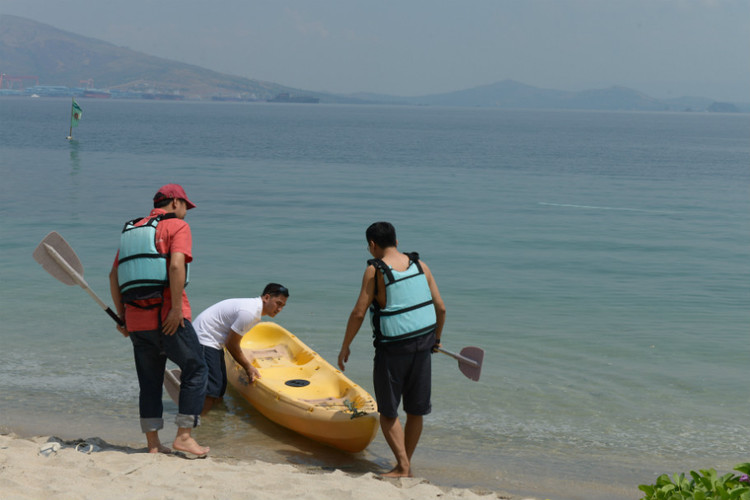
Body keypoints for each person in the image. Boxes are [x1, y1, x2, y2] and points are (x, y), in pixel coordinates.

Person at [337, 222, 446, 478]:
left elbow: (359, 312)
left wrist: (345, 346)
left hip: (393, 349)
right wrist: (436, 340)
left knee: (387, 411)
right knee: (415, 410)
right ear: (396, 242)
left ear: (372, 245)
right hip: (423, 344)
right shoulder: (421, 265)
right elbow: (441, 308)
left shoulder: (375, 271)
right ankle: (404, 464)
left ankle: (402, 466)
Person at [108, 183, 209, 457]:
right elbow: (176, 265)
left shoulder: (132, 231)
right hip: (169, 317)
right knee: (197, 369)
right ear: (175, 202)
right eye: (187, 206)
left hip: (137, 321)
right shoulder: (177, 226)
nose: (187, 212)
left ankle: (153, 444)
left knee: (150, 382)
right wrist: (176, 309)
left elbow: (113, 276)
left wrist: (123, 317)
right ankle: (184, 436)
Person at [193, 283, 290, 415]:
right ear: (266, 298)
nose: (279, 309)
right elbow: (231, 344)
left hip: (212, 341)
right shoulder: (249, 312)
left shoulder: (253, 309)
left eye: (282, 306)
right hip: (204, 339)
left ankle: (215, 426)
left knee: (220, 387)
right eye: (278, 303)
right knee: (212, 390)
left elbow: (232, 341)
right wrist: (248, 367)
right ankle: (199, 425)